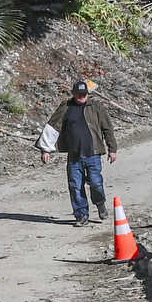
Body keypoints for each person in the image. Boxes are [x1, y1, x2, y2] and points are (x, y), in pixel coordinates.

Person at [53, 76, 115, 226]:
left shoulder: (96, 107)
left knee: (96, 183)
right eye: (79, 94)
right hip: (74, 156)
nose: (82, 97)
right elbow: (52, 127)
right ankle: (81, 215)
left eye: (84, 94)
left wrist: (112, 149)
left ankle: (100, 203)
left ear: (88, 93)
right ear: (73, 94)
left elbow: (107, 128)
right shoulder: (65, 107)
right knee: (75, 186)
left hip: (93, 154)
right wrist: (45, 150)